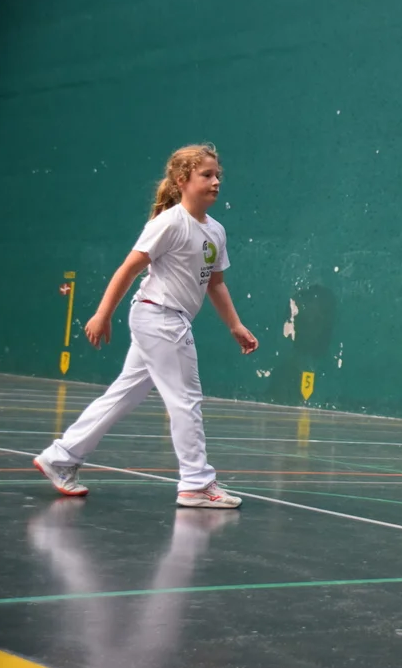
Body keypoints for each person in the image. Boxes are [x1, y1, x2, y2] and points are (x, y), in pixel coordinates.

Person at [33, 143, 257, 509]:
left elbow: (215, 283)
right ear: (182, 180)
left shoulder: (215, 231)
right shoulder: (169, 223)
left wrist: (235, 325)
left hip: (165, 320)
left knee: (125, 394)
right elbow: (128, 268)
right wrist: (102, 314)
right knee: (186, 400)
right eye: (207, 175)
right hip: (160, 317)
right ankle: (196, 483)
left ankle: (60, 457)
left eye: (218, 175)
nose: (216, 181)